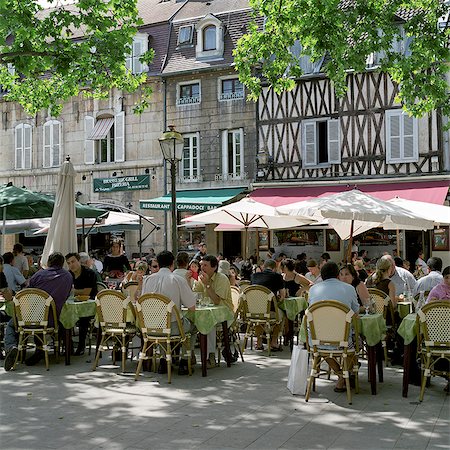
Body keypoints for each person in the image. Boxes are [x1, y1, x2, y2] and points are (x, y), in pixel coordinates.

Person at [4, 252, 72, 370]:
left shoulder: (39, 275)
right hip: (52, 320)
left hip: (31, 319)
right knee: (61, 324)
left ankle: (11, 347)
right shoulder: (68, 277)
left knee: (11, 324)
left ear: (49, 263)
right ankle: (45, 351)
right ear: (62, 263)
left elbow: (25, 294)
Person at [141, 251, 196, 375]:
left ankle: (164, 359)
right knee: (193, 327)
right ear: (172, 264)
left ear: (158, 264)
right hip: (173, 327)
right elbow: (192, 306)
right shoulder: (177, 279)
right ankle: (184, 360)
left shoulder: (147, 280)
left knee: (162, 323)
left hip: (150, 327)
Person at [308, 261, 359, 392]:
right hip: (343, 339)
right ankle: (344, 376)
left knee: (324, 346)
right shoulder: (349, 289)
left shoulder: (313, 289)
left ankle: (340, 374)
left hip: (318, 339)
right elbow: (355, 313)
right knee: (353, 342)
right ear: (337, 275)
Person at [191, 254, 233, 367]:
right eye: (201, 265)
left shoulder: (222, 279)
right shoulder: (200, 278)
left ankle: (211, 356)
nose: (202, 268)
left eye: (205, 265)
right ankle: (189, 355)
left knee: (208, 322)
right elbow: (195, 296)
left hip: (224, 314)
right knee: (189, 322)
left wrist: (207, 285)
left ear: (214, 267)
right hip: (206, 312)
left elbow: (216, 301)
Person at [65, 252, 98, 355]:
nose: (71, 265)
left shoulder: (89, 273)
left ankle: (81, 346)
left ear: (79, 261)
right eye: (69, 263)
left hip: (89, 306)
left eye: (73, 261)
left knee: (84, 319)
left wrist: (74, 291)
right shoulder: (68, 274)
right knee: (63, 316)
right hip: (72, 304)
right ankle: (68, 346)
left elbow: (87, 292)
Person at [251, 259, 285, 351]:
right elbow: (283, 296)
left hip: (254, 310)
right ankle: (274, 341)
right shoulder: (277, 276)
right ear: (274, 268)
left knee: (259, 316)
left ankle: (259, 342)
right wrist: (277, 300)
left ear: (263, 267)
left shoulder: (254, 276)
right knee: (281, 315)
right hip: (270, 310)